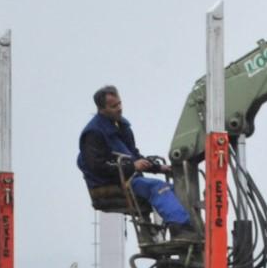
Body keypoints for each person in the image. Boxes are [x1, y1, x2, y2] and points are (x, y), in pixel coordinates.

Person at [78, 85, 196, 238]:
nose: (119, 108)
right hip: (111, 183)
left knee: (176, 189)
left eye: (120, 103)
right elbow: (98, 167)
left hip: (130, 177)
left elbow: (134, 155)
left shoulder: (122, 127)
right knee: (158, 188)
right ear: (102, 109)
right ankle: (182, 229)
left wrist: (160, 168)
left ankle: (189, 226)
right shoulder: (93, 133)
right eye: (114, 106)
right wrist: (131, 166)